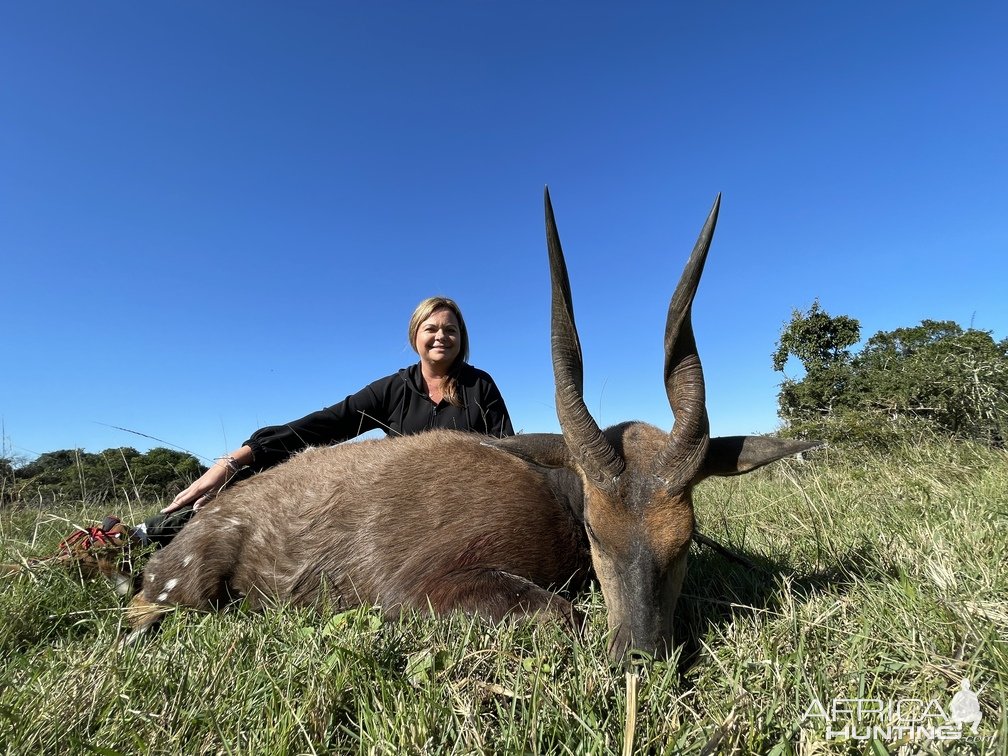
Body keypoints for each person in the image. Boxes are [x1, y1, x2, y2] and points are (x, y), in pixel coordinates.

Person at [57, 296, 514, 570]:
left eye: (450, 330)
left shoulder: (481, 386)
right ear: (415, 335)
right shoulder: (392, 389)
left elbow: (506, 453)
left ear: (462, 338)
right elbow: (324, 425)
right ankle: (141, 537)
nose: (441, 336)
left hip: (459, 514)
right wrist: (239, 457)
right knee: (266, 489)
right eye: (431, 328)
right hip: (396, 508)